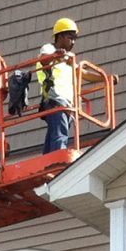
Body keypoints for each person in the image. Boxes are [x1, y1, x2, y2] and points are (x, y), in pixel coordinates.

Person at [36, 16, 81, 155]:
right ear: (60, 36)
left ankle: (46, 159)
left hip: (67, 103)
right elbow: (43, 59)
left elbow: (81, 72)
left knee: (55, 132)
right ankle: (57, 158)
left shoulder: (69, 57)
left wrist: (106, 78)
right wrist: (56, 55)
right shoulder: (49, 48)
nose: (73, 42)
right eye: (70, 38)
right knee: (59, 134)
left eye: (74, 39)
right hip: (54, 99)